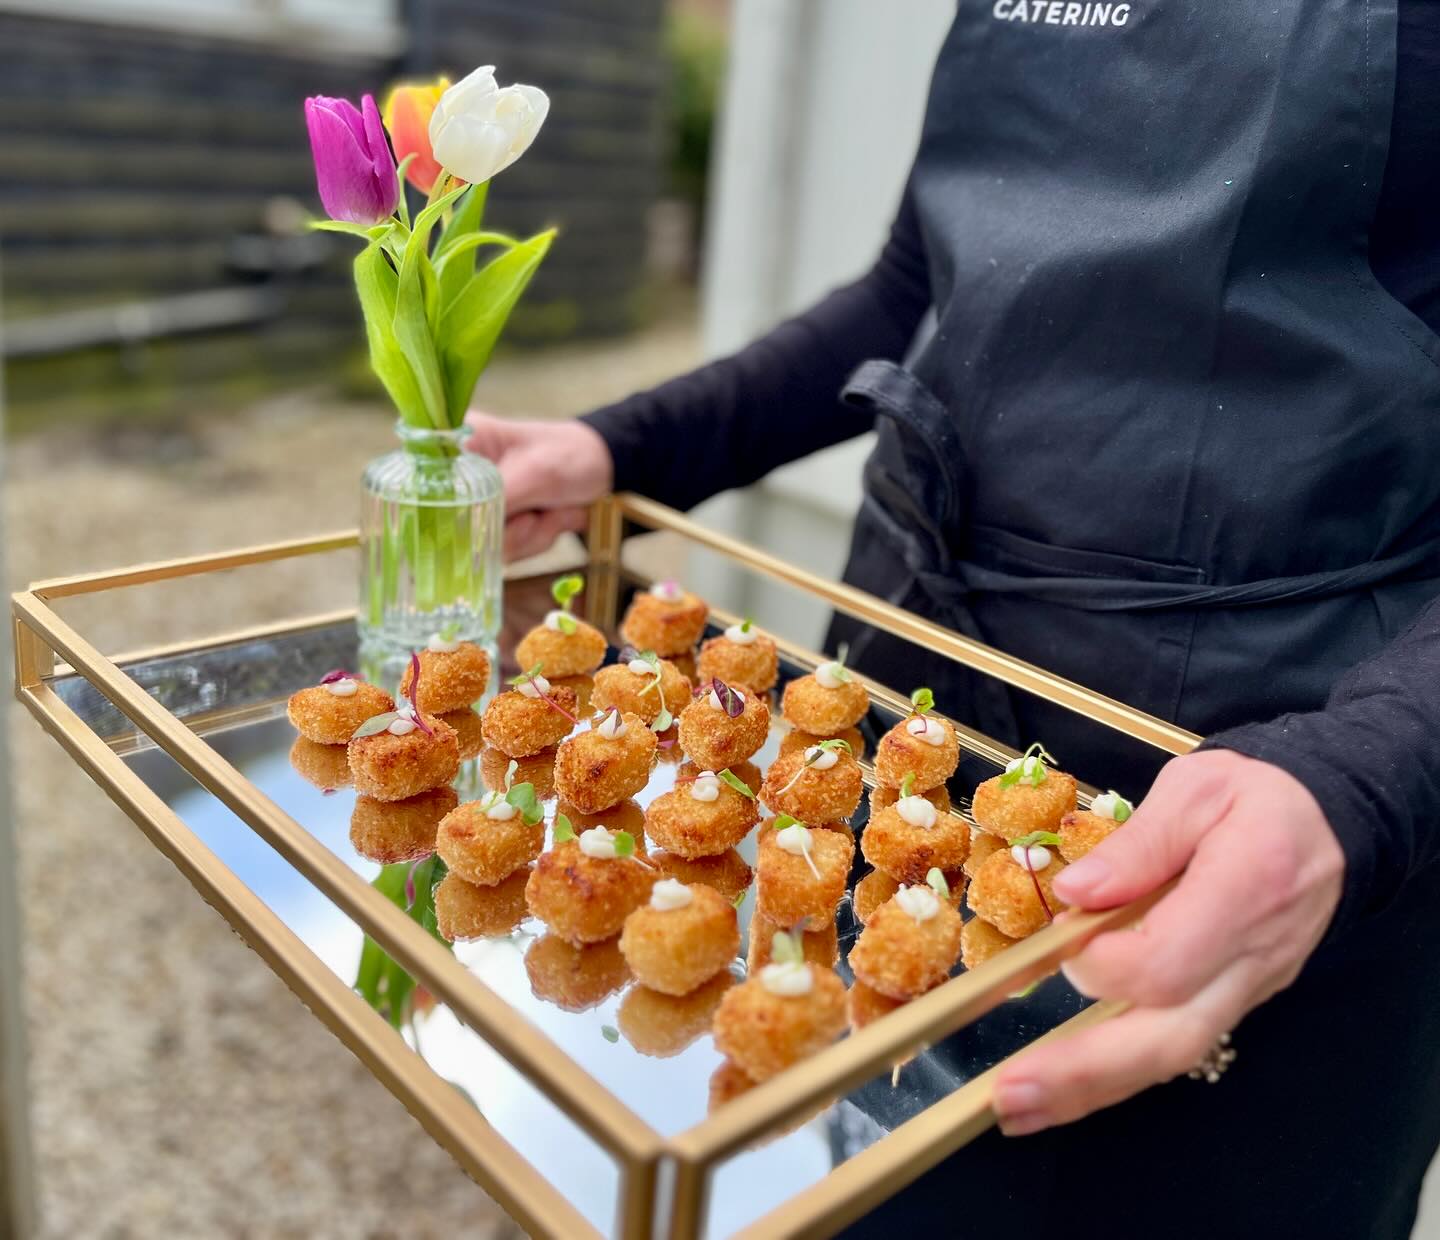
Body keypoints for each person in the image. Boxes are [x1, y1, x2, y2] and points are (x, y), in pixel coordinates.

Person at [468, 2, 1440, 1235]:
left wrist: (1364, 778)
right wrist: (625, 445)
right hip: (904, 724)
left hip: (1269, 802)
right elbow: (914, 292)